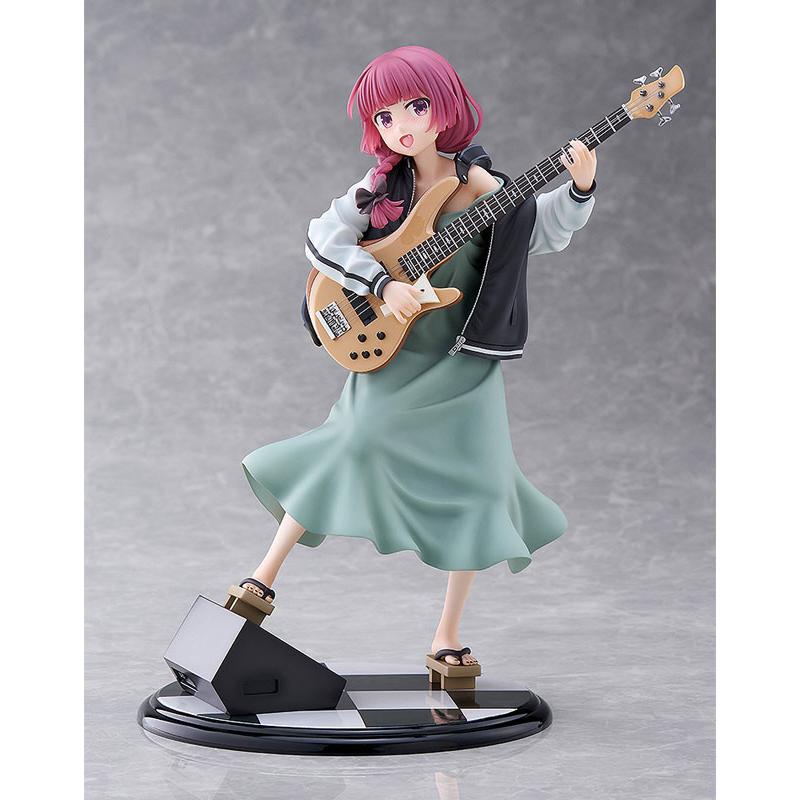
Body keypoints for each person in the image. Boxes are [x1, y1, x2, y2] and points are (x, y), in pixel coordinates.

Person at [227, 45, 597, 673]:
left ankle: (446, 637)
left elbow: (541, 232)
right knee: (350, 442)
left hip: (462, 359)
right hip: (393, 348)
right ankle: (262, 578)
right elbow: (322, 237)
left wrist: (581, 187)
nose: (401, 125)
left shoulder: (488, 190)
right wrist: (380, 284)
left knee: (479, 486)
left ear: (444, 106)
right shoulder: (381, 187)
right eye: (385, 116)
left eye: (416, 107)